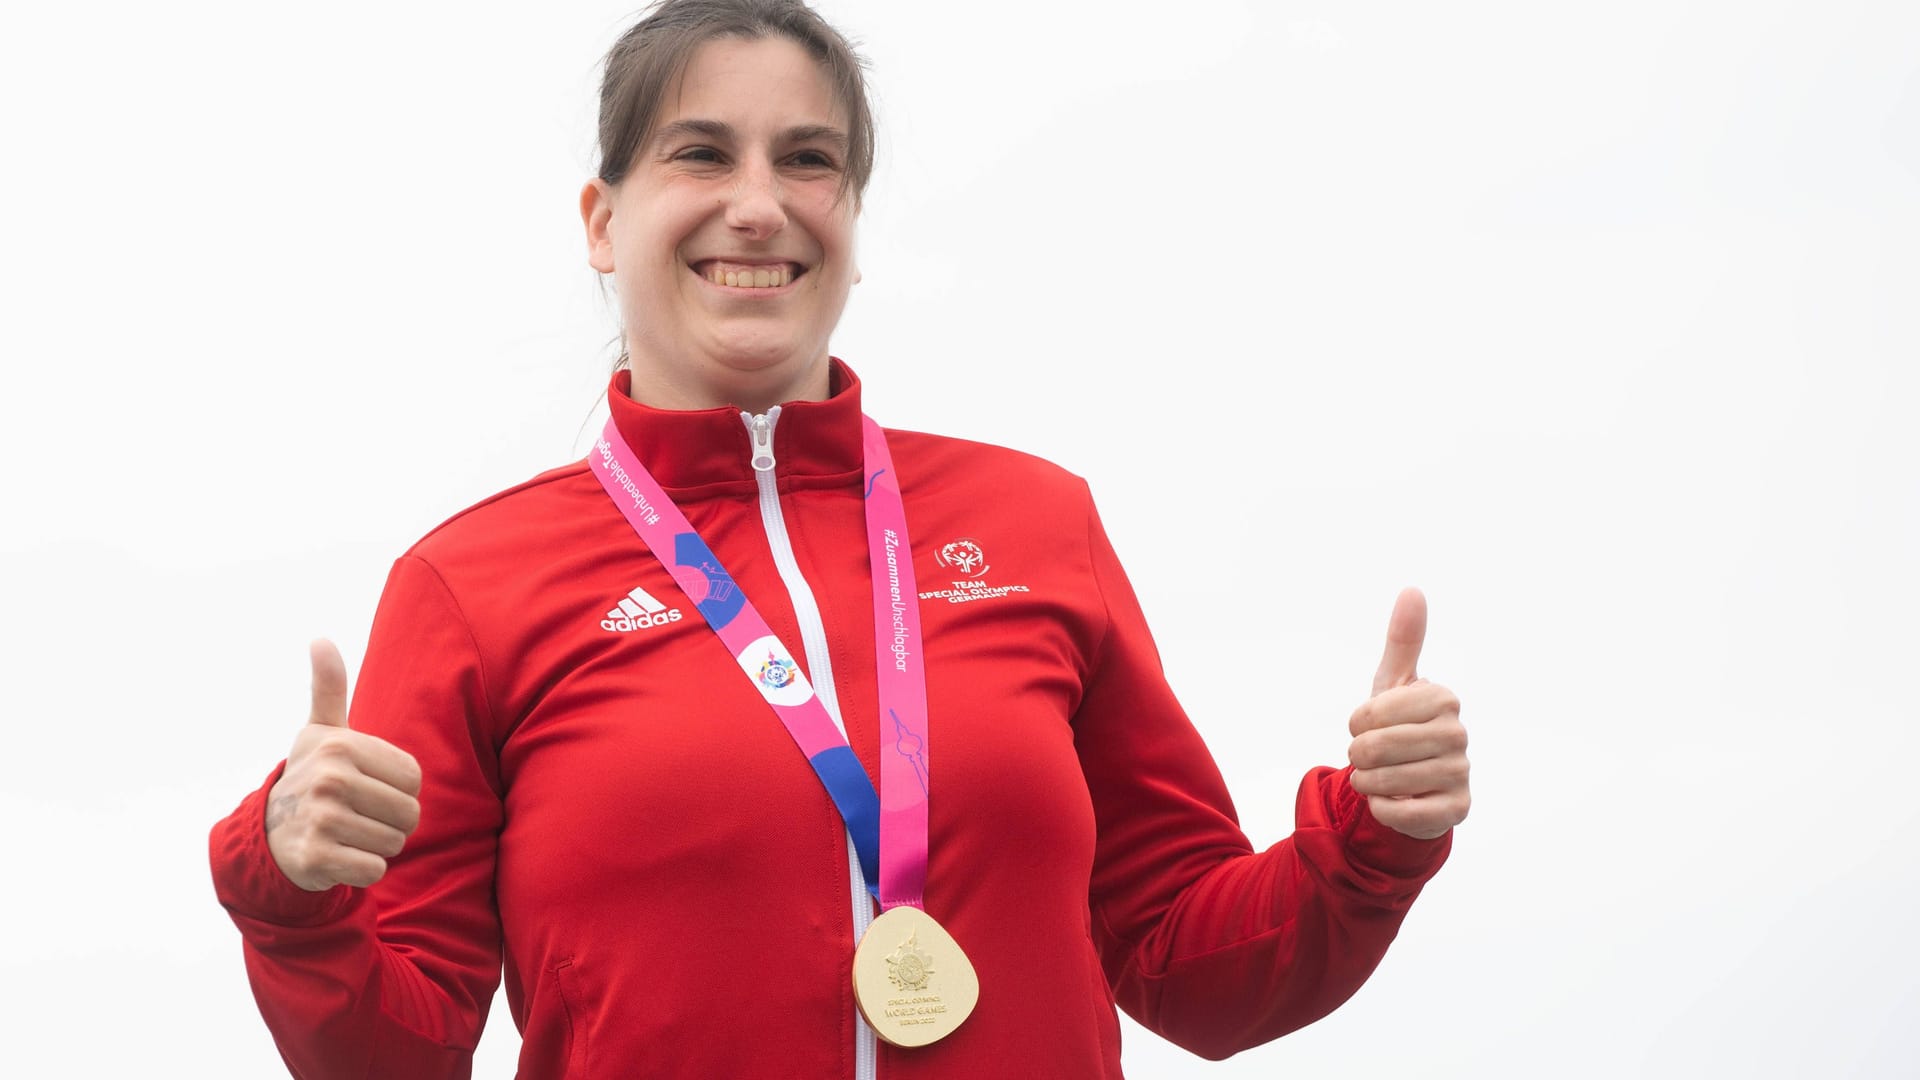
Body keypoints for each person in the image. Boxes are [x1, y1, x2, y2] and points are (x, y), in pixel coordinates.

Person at [208, 2, 1471, 1077]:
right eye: (701, 154)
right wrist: (289, 889)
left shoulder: (1036, 521)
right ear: (603, 219)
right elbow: (402, 1047)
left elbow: (1191, 963)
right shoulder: (471, 585)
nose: (758, 206)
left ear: (852, 218)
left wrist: (1369, 840)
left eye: (807, 160)